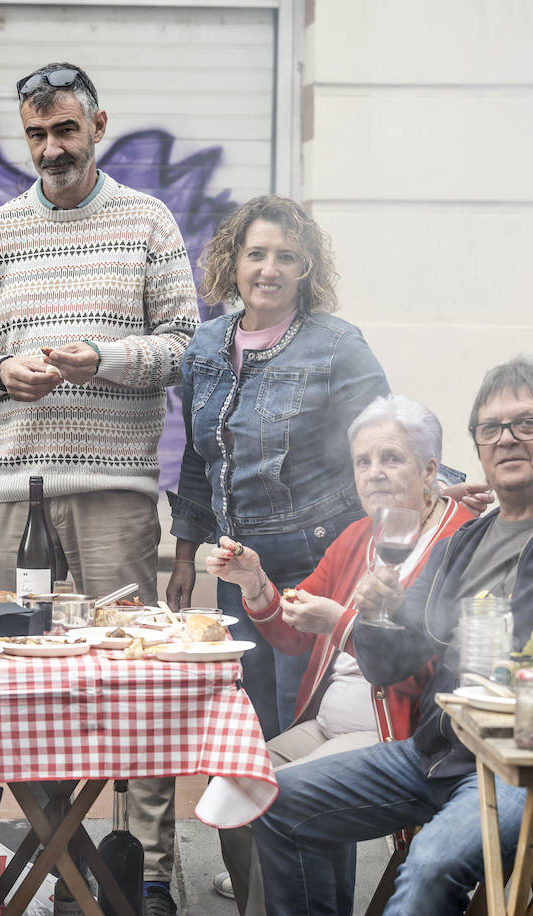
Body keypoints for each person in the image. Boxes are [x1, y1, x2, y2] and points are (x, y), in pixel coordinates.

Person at [252, 355, 533, 916]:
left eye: (527, 424)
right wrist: (379, 615)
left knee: (430, 868)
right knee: (270, 801)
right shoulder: (464, 545)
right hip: (437, 754)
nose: (506, 439)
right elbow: (393, 661)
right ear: (479, 448)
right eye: (490, 429)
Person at [0, 62, 200, 915]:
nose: (51, 148)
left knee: (138, 676)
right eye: (37, 134)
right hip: (15, 494)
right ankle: (65, 867)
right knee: (26, 679)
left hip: (116, 492)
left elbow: (183, 345)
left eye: (65, 130)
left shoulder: (148, 223)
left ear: (98, 126)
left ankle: (153, 869)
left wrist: (108, 357)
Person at [207, 395, 477, 915]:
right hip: (329, 722)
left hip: (398, 732)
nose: (374, 472)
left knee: (276, 796)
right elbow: (293, 633)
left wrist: (343, 623)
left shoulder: (460, 539)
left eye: (390, 458)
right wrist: (256, 582)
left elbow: (438, 667)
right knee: (231, 785)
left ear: (429, 470)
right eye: (363, 461)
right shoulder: (359, 537)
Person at [166, 195, 390, 741]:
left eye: (286, 257)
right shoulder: (204, 346)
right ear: (233, 263)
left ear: (305, 268)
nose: (269, 270)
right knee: (244, 729)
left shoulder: (337, 345)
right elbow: (198, 460)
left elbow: (388, 442)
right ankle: (248, 832)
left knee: (304, 728)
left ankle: (316, 828)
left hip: (315, 565)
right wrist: (183, 558)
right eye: (256, 254)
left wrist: (433, 504)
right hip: (235, 568)